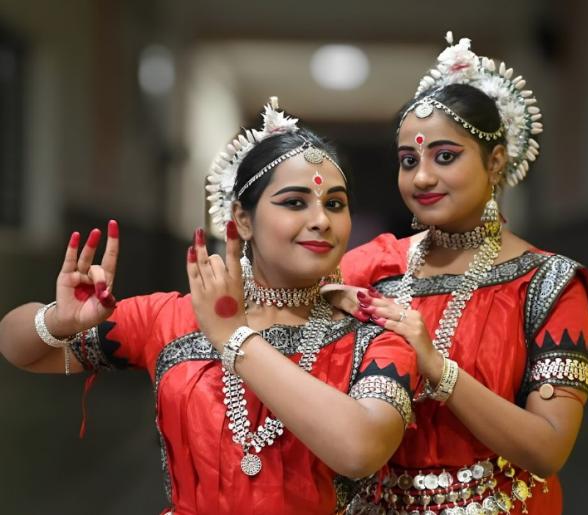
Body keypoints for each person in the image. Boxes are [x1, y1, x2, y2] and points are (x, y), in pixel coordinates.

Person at [0, 98, 419, 515]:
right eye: (295, 202)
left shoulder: (374, 336)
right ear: (244, 219)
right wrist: (59, 319)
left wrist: (234, 338)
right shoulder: (171, 319)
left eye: (335, 204)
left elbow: (360, 450)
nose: (321, 220)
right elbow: (18, 348)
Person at [333, 33, 588, 515]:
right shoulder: (372, 267)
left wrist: (438, 369)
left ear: (495, 162)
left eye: (445, 156)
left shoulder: (549, 284)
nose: (421, 177)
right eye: (408, 161)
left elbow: (548, 448)